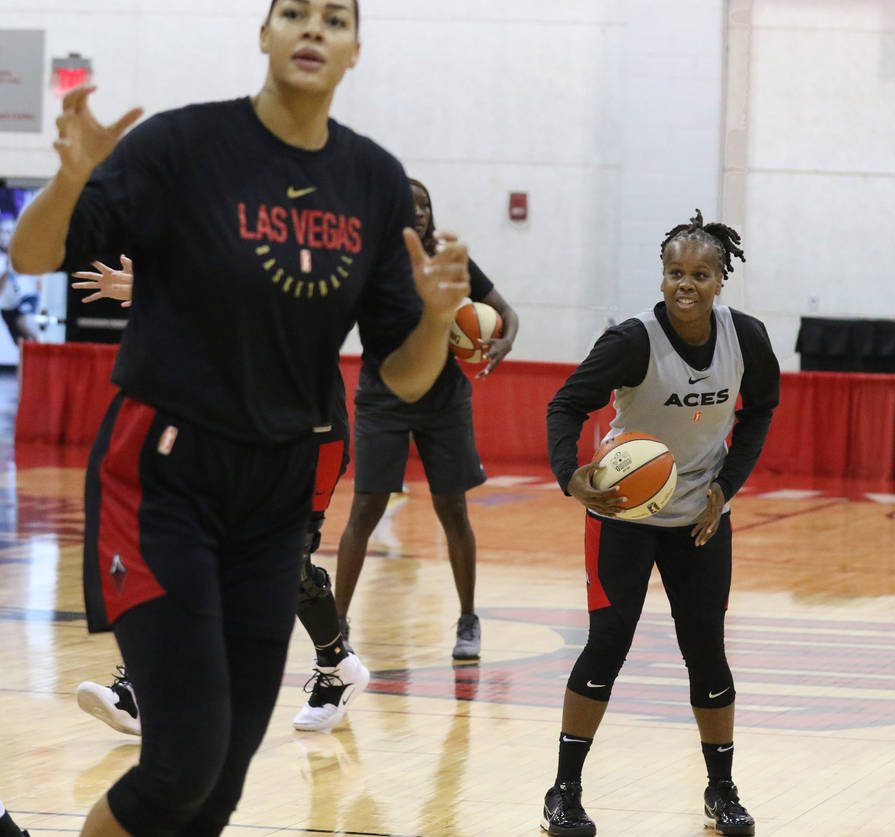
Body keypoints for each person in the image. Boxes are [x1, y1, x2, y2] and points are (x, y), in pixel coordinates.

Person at [9, 0, 470, 834]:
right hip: (163, 476)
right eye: (293, 11)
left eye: (335, 18)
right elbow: (33, 255)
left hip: (276, 493)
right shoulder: (184, 147)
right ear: (264, 34)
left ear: (355, 49)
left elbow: (403, 377)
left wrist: (437, 321)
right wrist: (72, 177)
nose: (312, 29)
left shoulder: (370, 180)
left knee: (218, 785)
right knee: (181, 759)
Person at [542, 210, 779, 837]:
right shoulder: (631, 340)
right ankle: (564, 791)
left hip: (700, 517)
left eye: (700, 274)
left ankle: (721, 790)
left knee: (706, 651)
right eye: (675, 272)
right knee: (607, 646)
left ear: (721, 279)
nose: (686, 284)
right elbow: (565, 404)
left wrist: (724, 491)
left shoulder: (747, 338)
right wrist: (571, 475)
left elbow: (760, 412)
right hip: (624, 514)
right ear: (664, 274)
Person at [70, 258, 368, 735]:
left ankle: (338, 667)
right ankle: (144, 691)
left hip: (311, 436)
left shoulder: (306, 255)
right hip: (244, 430)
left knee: (288, 565)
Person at [333, 177, 519, 660]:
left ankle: (468, 619)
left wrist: (503, 339)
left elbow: (506, 313)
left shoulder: (448, 260)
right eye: (408, 204)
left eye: (425, 205)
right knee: (365, 510)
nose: (418, 211)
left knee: (452, 511)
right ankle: (336, 624)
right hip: (381, 394)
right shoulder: (368, 262)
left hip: (444, 397)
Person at [0, 215, 39, 346]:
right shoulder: (2, 260)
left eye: (9, 232)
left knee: (25, 323)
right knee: (20, 343)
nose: (6, 236)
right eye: (3, 231)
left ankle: (42, 349)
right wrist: (7, 271)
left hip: (26, 297)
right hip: (8, 307)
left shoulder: (23, 253)